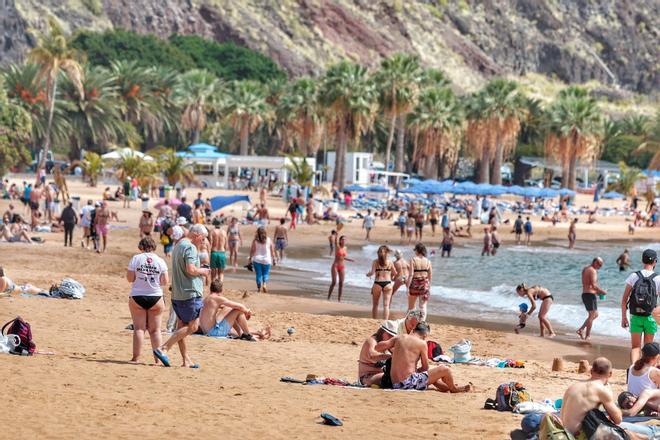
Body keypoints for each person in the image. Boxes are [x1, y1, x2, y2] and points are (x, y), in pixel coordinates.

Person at [153, 224, 210, 368]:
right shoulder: (190, 247)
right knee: (192, 327)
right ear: (197, 235)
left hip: (178, 293)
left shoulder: (178, 244)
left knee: (181, 327)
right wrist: (203, 272)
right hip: (189, 292)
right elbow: (190, 269)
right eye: (202, 239)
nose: (203, 242)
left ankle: (186, 360)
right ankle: (163, 348)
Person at [375, 322, 472, 393]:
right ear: (425, 335)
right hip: (407, 383)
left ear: (413, 330)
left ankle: (448, 387)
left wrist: (394, 350)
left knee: (432, 378)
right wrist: (417, 370)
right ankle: (453, 389)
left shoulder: (400, 337)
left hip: (394, 383)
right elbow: (425, 367)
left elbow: (378, 347)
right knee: (445, 369)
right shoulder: (422, 343)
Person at [126, 237, 168, 364]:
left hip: (138, 295)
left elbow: (130, 278)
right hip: (155, 296)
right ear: (154, 247)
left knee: (139, 329)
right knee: (155, 331)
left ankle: (136, 358)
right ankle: (158, 360)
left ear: (141, 247)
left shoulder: (136, 259)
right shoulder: (160, 261)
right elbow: (165, 281)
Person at [559, 358, 623, 437]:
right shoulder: (601, 389)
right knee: (630, 432)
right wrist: (610, 393)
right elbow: (618, 420)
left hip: (562, 433)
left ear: (591, 371)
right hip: (577, 436)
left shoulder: (574, 386)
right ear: (610, 374)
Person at [198, 279, 271, 341]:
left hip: (207, 331)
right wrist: (247, 311)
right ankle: (247, 334)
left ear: (210, 288)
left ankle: (248, 333)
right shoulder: (218, 298)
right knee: (238, 310)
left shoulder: (206, 299)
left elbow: (226, 307)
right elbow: (239, 306)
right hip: (213, 332)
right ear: (221, 289)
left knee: (229, 308)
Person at [621, 249, 659, 363]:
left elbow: (624, 300)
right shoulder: (658, 278)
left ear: (643, 260)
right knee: (648, 349)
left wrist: (624, 317)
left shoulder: (634, 276)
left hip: (635, 316)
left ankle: (633, 371)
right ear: (655, 261)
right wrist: (656, 315)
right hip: (650, 317)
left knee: (635, 347)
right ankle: (646, 374)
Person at [577, 257, 607, 341]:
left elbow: (588, 285)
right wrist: (602, 291)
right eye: (599, 264)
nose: (600, 267)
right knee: (592, 315)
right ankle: (587, 336)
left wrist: (597, 293)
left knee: (595, 314)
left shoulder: (586, 269)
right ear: (595, 262)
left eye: (601, 265)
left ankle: (581, 329)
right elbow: (593, 285)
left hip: (585, 294)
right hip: (589, 295)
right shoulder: (592, 270)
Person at [366, 246, 397, 320]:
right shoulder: (390, 262)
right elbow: (395, 272)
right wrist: (392, 277)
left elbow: (372, 273)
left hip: (378, 283)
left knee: (375, 304)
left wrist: (368, 274)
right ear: (386, 253)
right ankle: (385, 321)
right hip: (388, 283)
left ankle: (374, 320)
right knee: (386, 305)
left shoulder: (375, 262)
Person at [407, 243, 432, 320]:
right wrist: (429, 285)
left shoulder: (413, 260)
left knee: (411, 306)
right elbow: (430, 275)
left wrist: (407, 286)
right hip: (424, 284)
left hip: (414, 283)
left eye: (415, 250)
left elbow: (411, 274)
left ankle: (411, 322)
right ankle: (422, 323)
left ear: (417, 250)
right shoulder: (428, 261)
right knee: (423, 306)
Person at [249, 226, 276, 293]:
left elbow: (252, 250)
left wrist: (250, 258)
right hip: (267, 260)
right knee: (265, 274)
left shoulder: (255, 240)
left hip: (257, 260)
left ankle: (258, 288)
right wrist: (274, 259)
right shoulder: (269, 240)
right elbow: (272, 251)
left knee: (258, 274)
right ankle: (264, 284)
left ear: (257, 233)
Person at [327, 234, 353, 302]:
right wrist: (336, 235)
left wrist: (349, 259)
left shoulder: (345, 248)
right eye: (342, 239)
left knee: (341, 283)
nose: (344, 240)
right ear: (340, 240)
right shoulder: (337, 246)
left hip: (342, 266)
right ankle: (328, 297)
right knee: (334, 282)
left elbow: (343, 257)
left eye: (345, 239)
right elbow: (335, 242)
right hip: (335, 265)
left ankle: (339, 299)